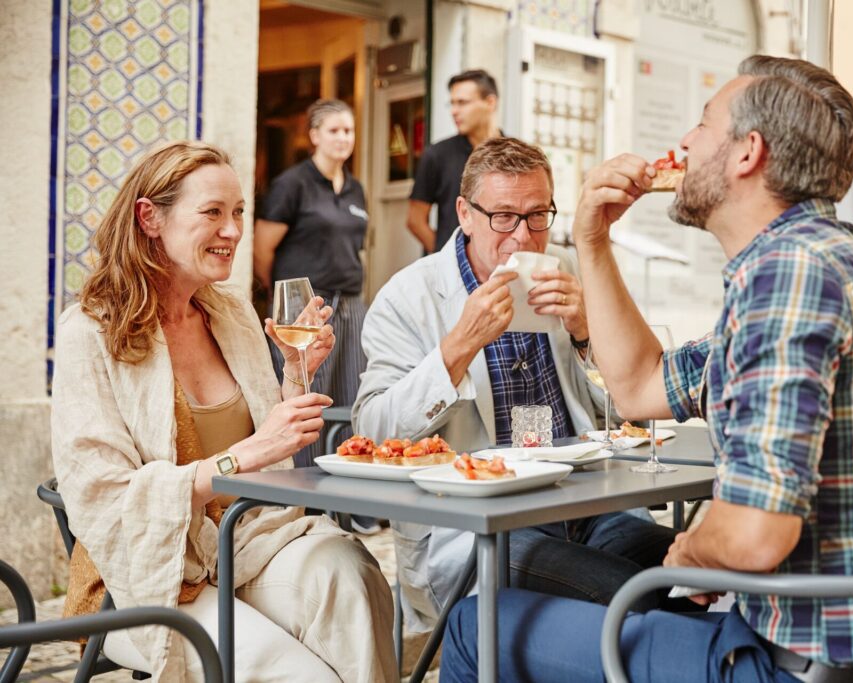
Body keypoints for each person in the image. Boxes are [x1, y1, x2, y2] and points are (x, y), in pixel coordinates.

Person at [441, 56, 853, 682]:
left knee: (480, 624)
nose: (684, 142)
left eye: (704, 124)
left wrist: (692, 547)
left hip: (798, 664)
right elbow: (637, 386)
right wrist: (592, 238)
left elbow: (755, 538)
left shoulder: (786, 280)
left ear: (748, 152)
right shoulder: (851, 260)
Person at [51, 141, 397, 682]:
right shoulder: (91, 333)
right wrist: (241, 457)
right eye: (212, 212)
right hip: (145, 573)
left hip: (246, 543)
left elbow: (269, 450)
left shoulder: (230, 315)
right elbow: (102, 496)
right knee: (306, 677)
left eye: (238, 212)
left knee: (352, 575)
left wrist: (294, 373)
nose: (234, 230)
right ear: (150, 218)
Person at [355, 136, 683, 633]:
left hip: (581, 500)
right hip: (479, 523)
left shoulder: (569, 270)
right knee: (632, 597)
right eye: (503, 217)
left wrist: (586, 334)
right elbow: (373, 434)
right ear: (464, 214)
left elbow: (629, 409)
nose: (523, 239)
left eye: (537, 216)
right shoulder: (408, 296)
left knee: (693, 573)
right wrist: (458, 347)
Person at [254, 99, 369, 469]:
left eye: (348, 130)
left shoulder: (356, 189)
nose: (343, 138)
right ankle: (302, 498)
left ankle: (352, 502)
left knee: (350, 400)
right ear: (315, 136)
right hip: (307, 311)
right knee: (304, 401)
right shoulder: (292, 184)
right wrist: (285, 301)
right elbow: (262, 249)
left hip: (351, 305)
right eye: (334, 130)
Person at [407, 69, 501, 253]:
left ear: (490, 102)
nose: (454, 111)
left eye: (462, 103)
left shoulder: (512, 153)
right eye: (452, 103)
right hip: (450, 274)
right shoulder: (436, 155)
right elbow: (415, 220)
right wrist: (447, 257)